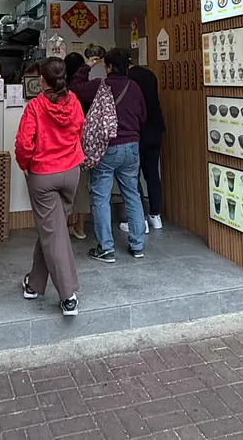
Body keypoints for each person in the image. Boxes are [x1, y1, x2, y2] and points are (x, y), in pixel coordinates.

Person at [15, 57, 85, 316]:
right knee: (53, 230)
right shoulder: (74, 101)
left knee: (53, 232)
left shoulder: (35, 106)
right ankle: (34, 284)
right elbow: (79, 128)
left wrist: (24, 164)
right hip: (71, 172)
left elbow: (24, 144)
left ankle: (68, 296)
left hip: (44, 175)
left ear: (42, 79)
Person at [71, 48, 147, 263]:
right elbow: (143, 116)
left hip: (107, 147)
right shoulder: (135, 87)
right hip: (132, 147)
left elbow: (74, 88)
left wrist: (87, 66)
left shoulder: (101, 86)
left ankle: (106, 248)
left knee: (101, 196)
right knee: (132, 194)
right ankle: (138, 245)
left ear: (109, 66)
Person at [119, 55, 166, 232]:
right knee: (152, 173)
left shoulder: (126, 79)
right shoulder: (150, 74)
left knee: (132, 175)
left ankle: (140, 220)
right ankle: (155, 215)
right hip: (155, 129)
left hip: (137, 131)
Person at [64, 52, 90, 240]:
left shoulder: (63, 91)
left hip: (65, 142)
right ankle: (80, 227)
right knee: (82, 185)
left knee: (62, 186)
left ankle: (62, 226)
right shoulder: (87, 88)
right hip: (85, 141)